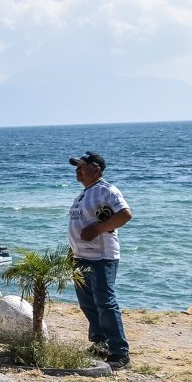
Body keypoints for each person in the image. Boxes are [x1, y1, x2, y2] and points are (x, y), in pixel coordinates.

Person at [68, 150, 133, 370]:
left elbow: (125, 214)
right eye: (77, 166)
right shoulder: (84, 194)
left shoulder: (106, 190)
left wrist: (97, 229)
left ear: (96, 170)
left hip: (101, 257)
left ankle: (120, 353)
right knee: (88, 304)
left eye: (82, 166)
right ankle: (100, 344)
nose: (78, 169)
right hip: (81, 257)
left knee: (105, 303)